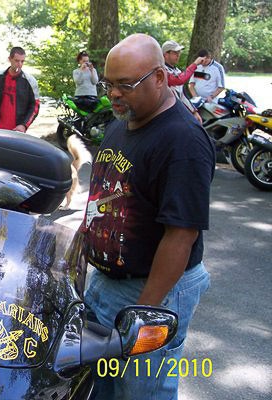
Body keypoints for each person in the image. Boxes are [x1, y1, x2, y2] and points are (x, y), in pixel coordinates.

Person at [82, 33, 215, 399]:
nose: (114, 94)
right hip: (105, 285)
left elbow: (181, 236)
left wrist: (144, 313)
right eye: (109, 84)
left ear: (159, 77)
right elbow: (102, 200)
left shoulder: (183, 141)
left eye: (126, 85)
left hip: (153, 291)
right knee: (100, 388)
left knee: (143, 392)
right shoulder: (120, 124)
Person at [0, 47, 40, 132]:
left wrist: (24, 125)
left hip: (18, 130)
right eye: (16, 61)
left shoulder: (30, 81)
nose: (19, 64)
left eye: (22, 61)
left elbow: (35, 105)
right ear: (9, 59)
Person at [162, 40, 204, 122]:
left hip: (177, 112)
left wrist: (194, 112)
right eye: (175, 53)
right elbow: (179, 80)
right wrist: (195, 64)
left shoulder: (177, 71)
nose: (178, 55)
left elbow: (183, 95)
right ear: (166, 54)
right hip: (165, 114)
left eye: (179, 52)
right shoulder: (161, 70)